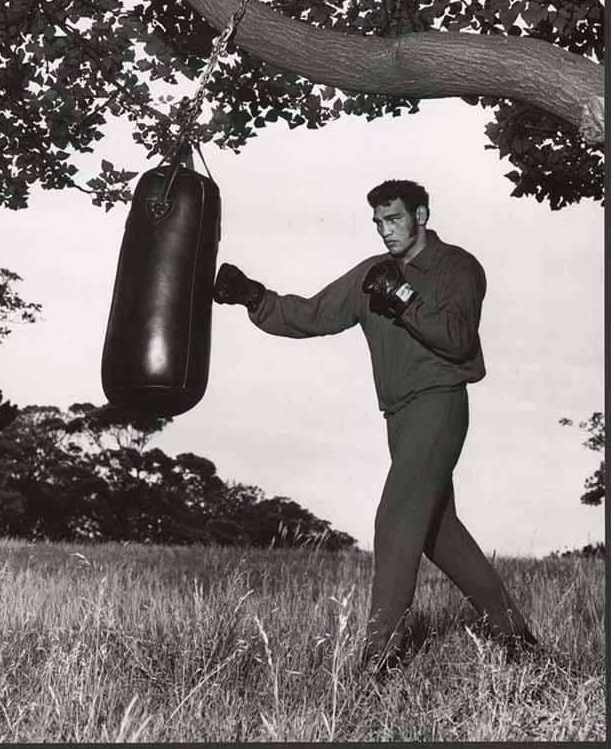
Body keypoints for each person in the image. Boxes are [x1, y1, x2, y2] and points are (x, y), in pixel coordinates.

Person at [213, 179, 536, 673]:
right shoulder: (373, 273)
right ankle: (519, 640)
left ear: (421, 215)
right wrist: (254, 297)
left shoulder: (457, 266)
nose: (386, 231)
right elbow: (314, 314)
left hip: (438, 402)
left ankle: (380, 659)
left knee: (395, 520)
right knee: (440, 535)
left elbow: (458, 338)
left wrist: (402, 298)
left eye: (395, 219)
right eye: (379, 223)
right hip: (398, 414)